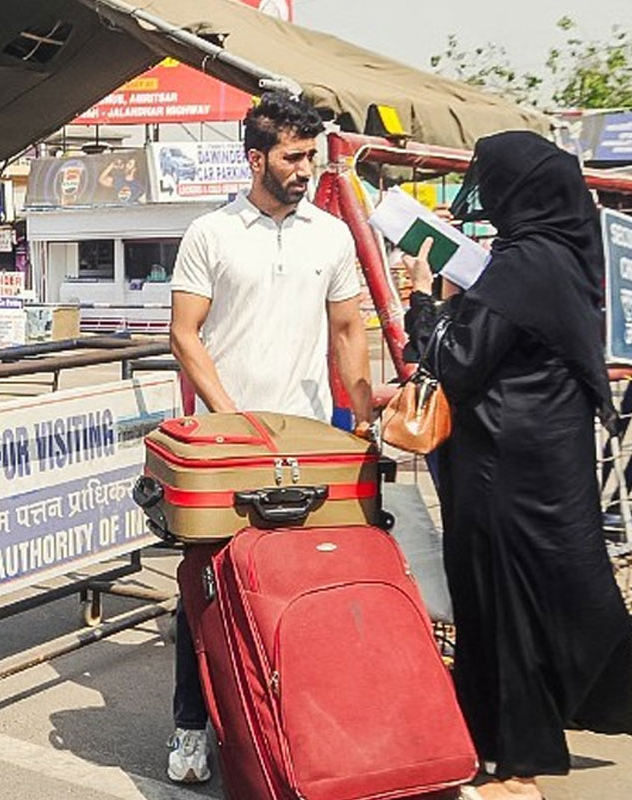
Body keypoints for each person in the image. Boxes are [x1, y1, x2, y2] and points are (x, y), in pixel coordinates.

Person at [401, 131, 632, 800]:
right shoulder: (559, 255)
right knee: (516, 602)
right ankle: (493, 747)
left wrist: (424, 297)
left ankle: (517, 770)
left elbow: (455, 361)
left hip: (504, 469)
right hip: (539, 461)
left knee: (503, 607)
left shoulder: (525, 263)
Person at [166, 92, 372, 783]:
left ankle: (286, 728)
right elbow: (184, 335)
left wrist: (364, 408)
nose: (304, 168)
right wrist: (234, 423)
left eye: (310, 155)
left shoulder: (331, 235)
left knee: (304, 584)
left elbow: (348, 330)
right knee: (207, 587)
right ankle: (192, 729)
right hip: (228, 447)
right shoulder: (211, 234)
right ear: (255, 157)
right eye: (292, 156)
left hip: (310, 444)